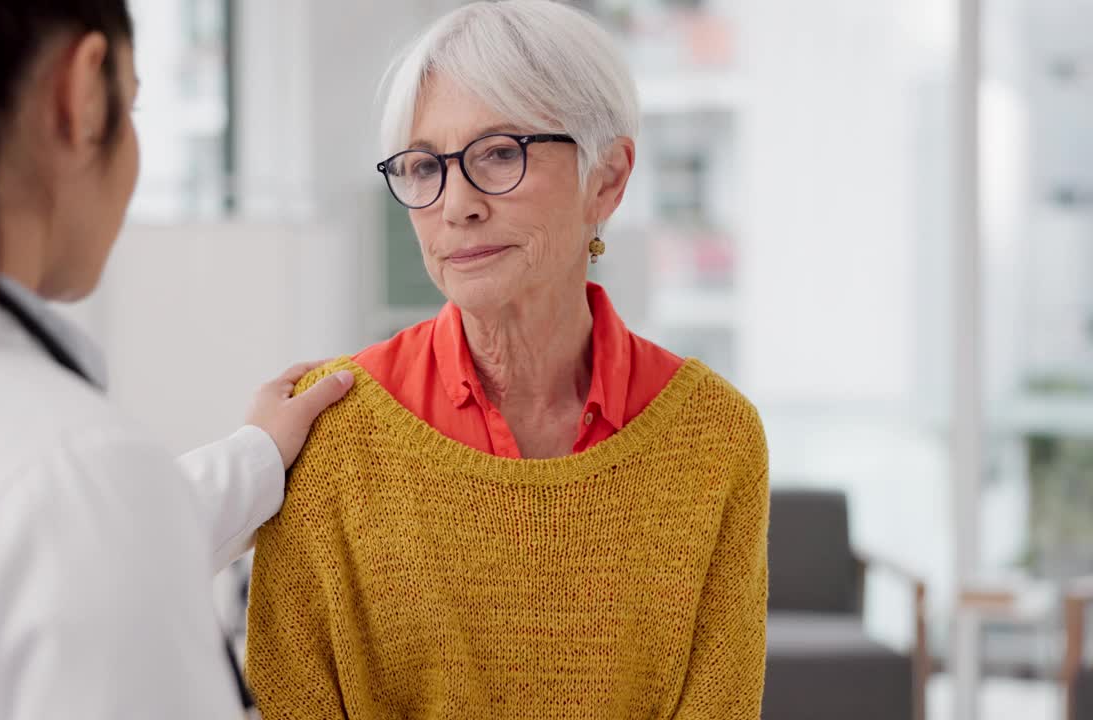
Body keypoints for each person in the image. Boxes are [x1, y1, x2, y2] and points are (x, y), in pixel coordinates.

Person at [0, 2, 354, 718]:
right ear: (79, 98)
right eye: (131, 105)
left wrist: (253, 458)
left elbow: (51, 557)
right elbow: (68, 526)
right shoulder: (73, 472)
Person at [244, 1, 769, 718]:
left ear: (607, 179)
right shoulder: (328, 433)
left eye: (499, 153)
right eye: (425, 165)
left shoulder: (716, 438)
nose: (455, 204)